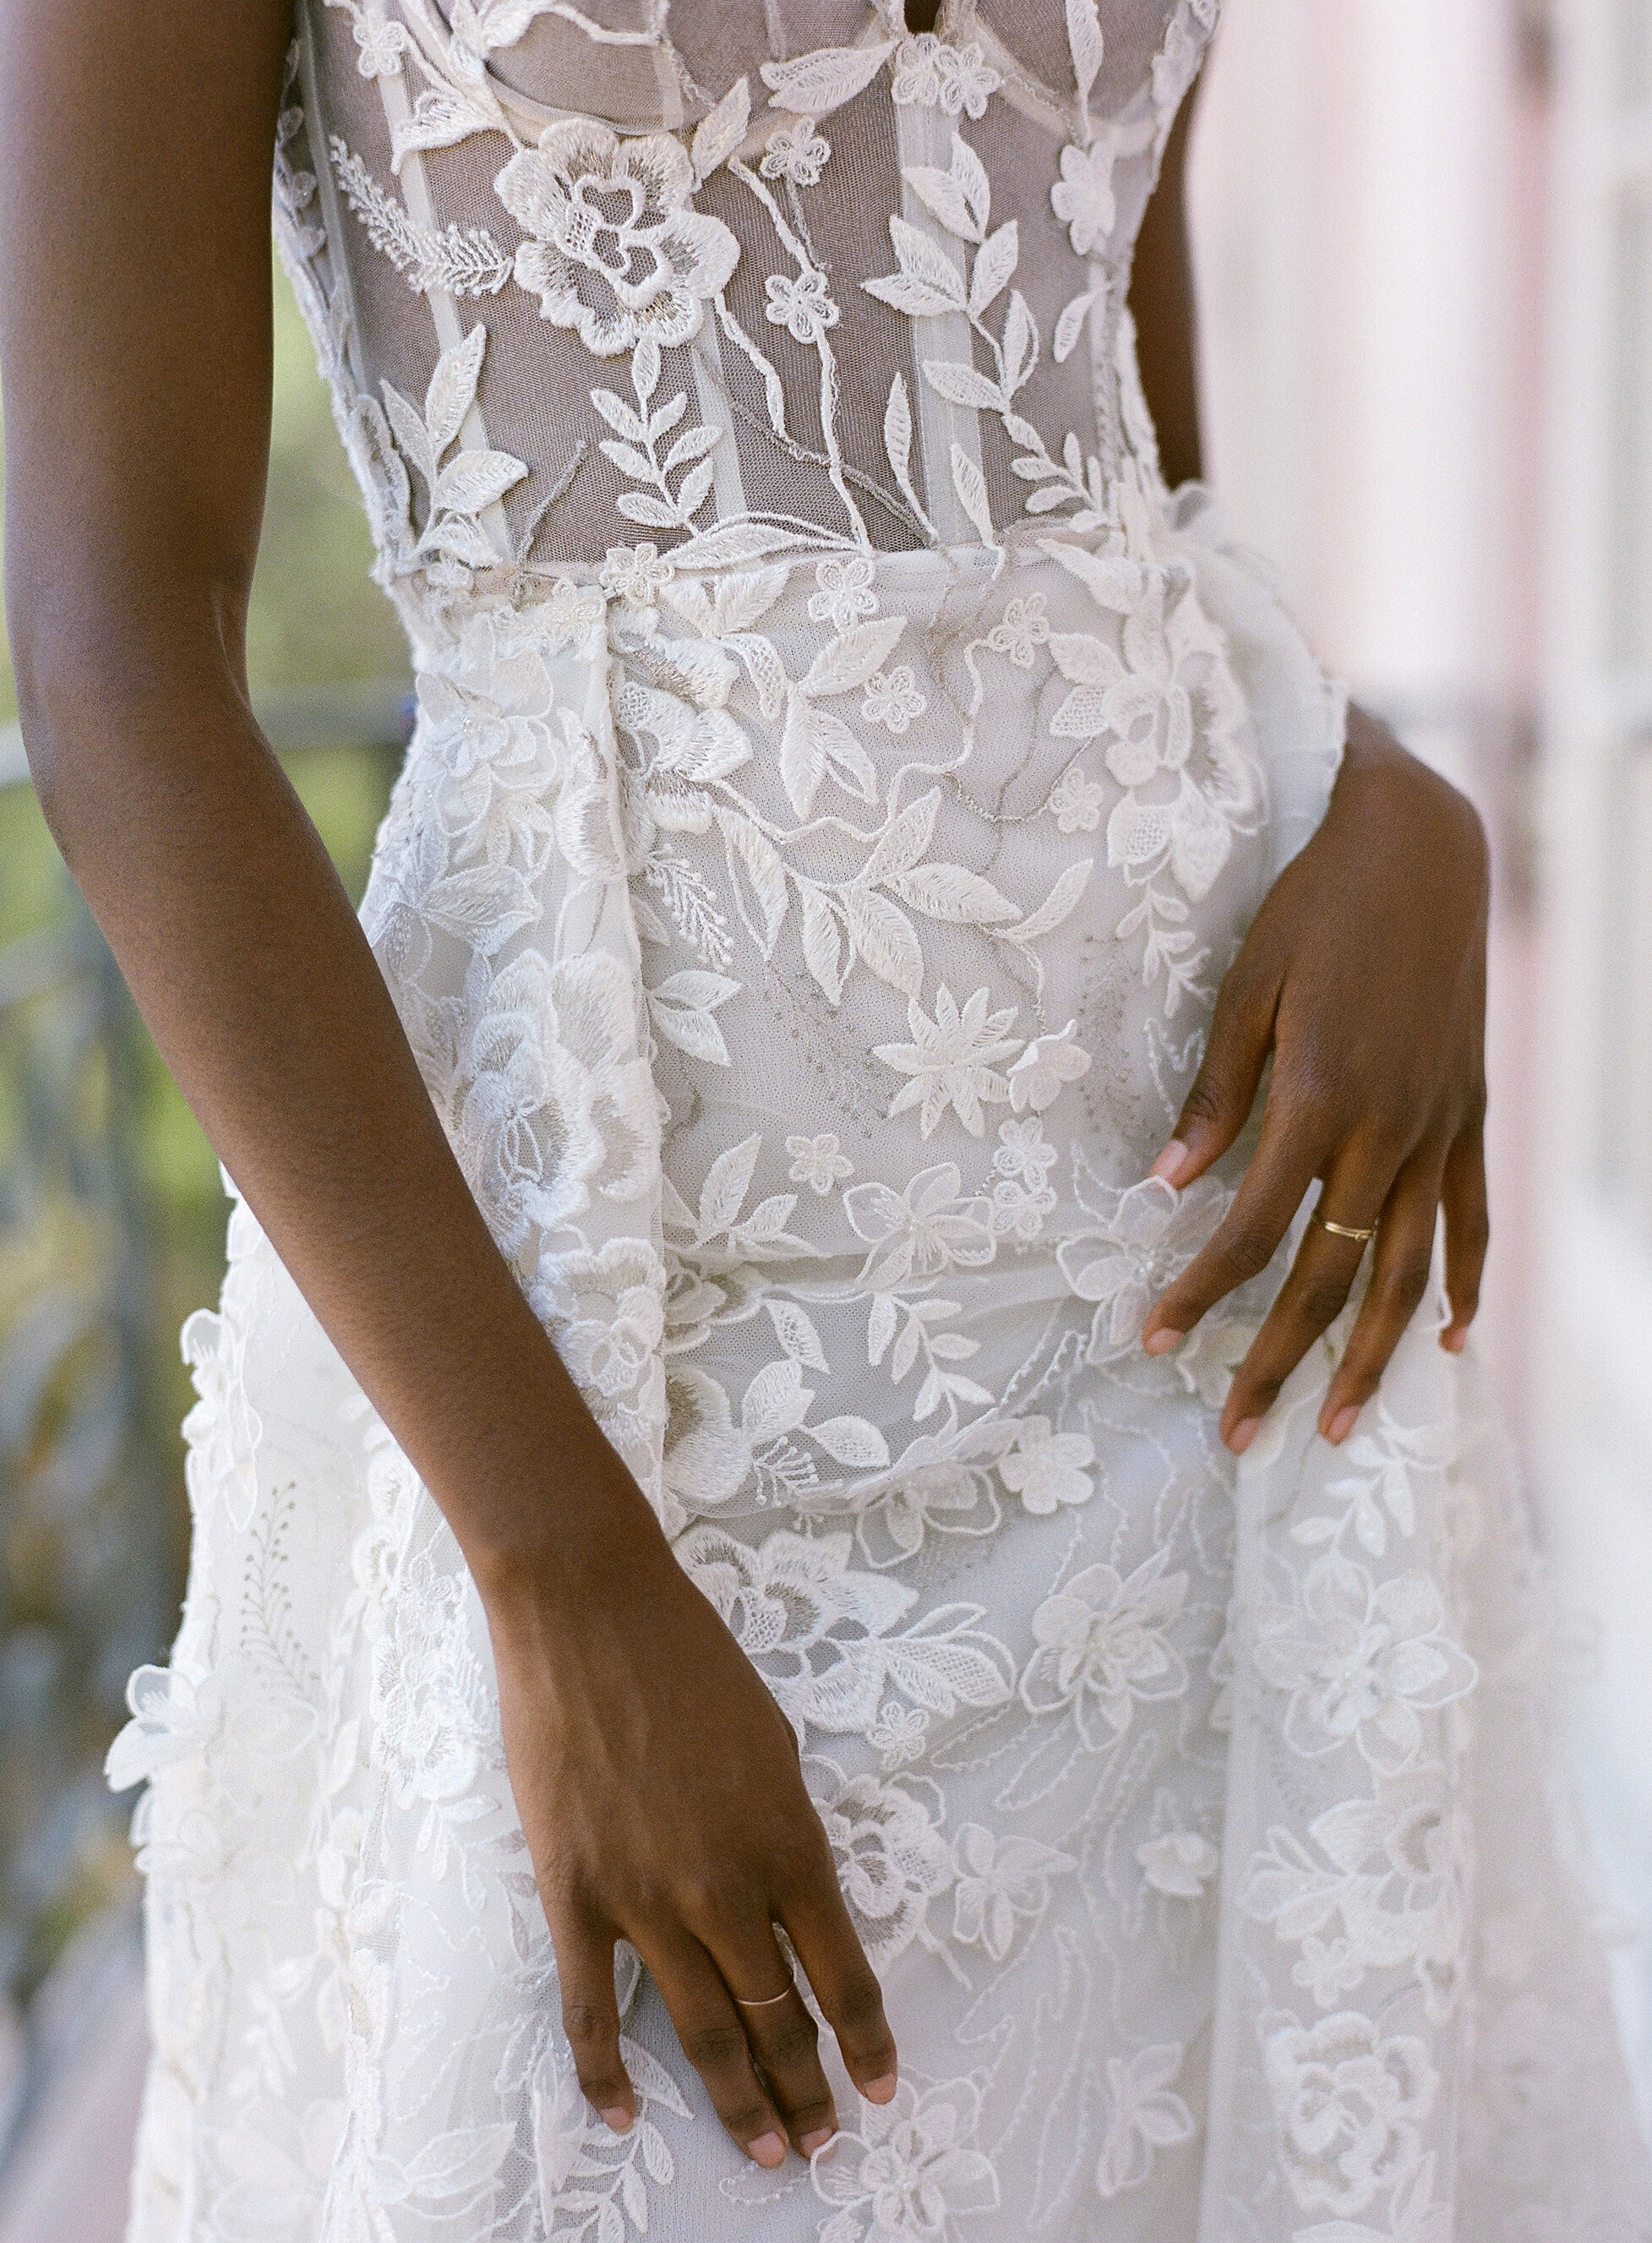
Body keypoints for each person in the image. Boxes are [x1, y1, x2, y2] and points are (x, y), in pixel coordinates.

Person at [2, 0, 1646, 2236]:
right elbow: (112, 656)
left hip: (1217, 1296)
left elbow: (1113, 476)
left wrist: (1389, 801)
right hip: (630, 1346)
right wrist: (554, 1569)